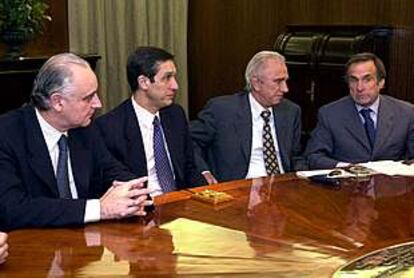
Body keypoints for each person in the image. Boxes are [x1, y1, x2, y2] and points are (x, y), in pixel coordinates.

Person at [0, 53, 152, 231]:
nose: (98, 104)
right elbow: (12, 209)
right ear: (57, 102)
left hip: (87, 243)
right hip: (33, 246)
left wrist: (132, 193)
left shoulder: (85, 129)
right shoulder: (7, 134)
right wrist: (100, 209)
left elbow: (113, 172)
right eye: (88, 98)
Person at [95, 47, 205, 197]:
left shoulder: (175, 115)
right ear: (144, 82)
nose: (175, 86)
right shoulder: (109, 127)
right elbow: (118, 183)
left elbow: (189, 168)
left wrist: (206, 197)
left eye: (174, 77)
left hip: (180, 202)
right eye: (167, 78)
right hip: (142, 207)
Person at [190, 50, 306, 183]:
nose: (285, 89)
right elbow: (189, 141)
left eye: (285, 81)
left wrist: (304, 177)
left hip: (282, 187)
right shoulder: (222, 110)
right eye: (278, 81)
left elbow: (296, 156)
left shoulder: (291, 111)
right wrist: (204, 171)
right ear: (256, 83)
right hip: (238, 188)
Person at [305, 52, 414, 169]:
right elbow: (313, 156)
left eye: (367, 80)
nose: (359, 88)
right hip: (347, 184)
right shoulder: (330, 114)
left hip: (391, 184)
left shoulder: (406, 113)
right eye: (354, 80)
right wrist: (347, 167)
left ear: (381, 83)